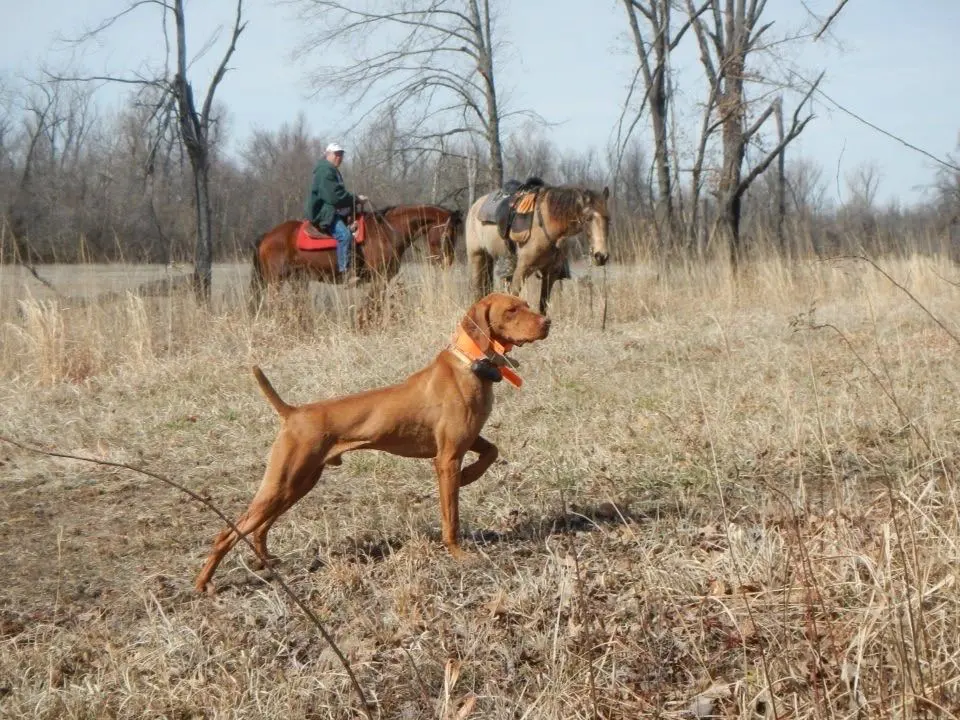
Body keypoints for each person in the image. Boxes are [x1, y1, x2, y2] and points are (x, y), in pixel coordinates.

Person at [304, 142, 368, 279]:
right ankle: (345, 272)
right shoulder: (325, 171)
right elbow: (334, 197)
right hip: (324, 212)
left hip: (333, 209)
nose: (340, 158)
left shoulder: (332, 170)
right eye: (337, 154)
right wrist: (355, 199)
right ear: (328, 154)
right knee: (345, 235)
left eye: (341, 155)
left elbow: (337, 194)